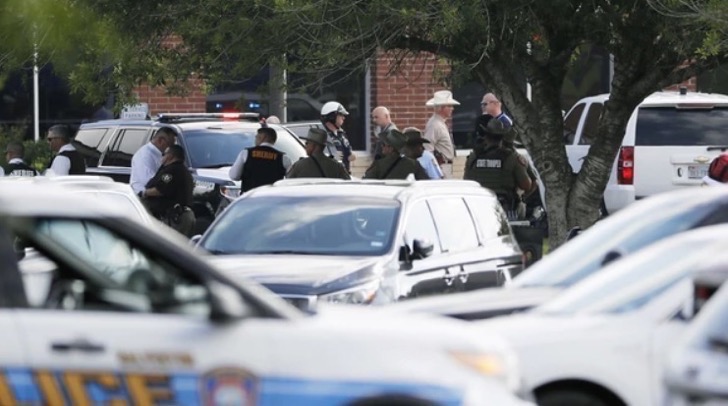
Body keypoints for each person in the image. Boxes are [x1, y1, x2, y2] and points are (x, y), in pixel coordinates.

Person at [464, 119, 533, 218]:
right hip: (504, 209)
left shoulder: (474, 156)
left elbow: (467, 182)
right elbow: (526, 185)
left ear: (486, 137)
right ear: (502, 138)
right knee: (521, 207)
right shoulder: (511, 157)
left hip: (478, 206)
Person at [142, 145, 196, 236]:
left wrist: (145, 193)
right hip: (184, 216)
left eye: (164, 154)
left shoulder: (171, 171)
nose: (162, 157)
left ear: (170, 156)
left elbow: (160, 190)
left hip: (176, 219)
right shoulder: (184, 171)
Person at [229, 126, 292, 193]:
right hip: (273, 198)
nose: (255, 139)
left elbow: (234, 176)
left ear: (263, 137)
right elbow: (291, 180)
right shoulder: (283, 158)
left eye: (256, 137)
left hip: (250, 198)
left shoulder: (246, 153)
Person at [364, 129, 429, 180]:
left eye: (384, 145)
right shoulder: (414, 164)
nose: (381, 146)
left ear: (391, 148)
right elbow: (426, 183)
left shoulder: (379, 164)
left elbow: (366, 181)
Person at [130, 128, 176, 196]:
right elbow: (149, 182)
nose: (171, 147)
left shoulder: (159, 154)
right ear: (160, 140)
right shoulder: (145, 156)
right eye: (170, 144)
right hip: (144, 199)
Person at [423, 90, 459, 178]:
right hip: (441, 167)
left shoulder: (439, 123)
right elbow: (428, 149)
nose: (452, 108)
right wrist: (435, 169)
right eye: (449, 106)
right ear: (441, 108)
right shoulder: (434, 125)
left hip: (445, 166)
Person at [320, 101, 356, 173]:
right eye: (341, 115)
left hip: (344, 174)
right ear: (332, 116)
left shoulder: (341, 134)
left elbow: (350, 155)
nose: (344, 118)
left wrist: (350, 155)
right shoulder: (323, 135)